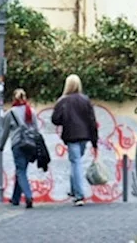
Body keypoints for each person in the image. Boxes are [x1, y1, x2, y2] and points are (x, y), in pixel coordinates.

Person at [51, 73, 98, 205]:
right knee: (76, 162)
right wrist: (94, 142)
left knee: (75, 162)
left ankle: (79, 195)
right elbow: (92, 121)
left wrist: (64, 119)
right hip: (85, 136)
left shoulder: (63, 101)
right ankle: (74, 190)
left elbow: (55, 120)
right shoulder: (85, 100)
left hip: (71, 136)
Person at [0, 88, 38, 208]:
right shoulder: (31, 111)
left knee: (21, 171)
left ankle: (28, 196)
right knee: (21, 170)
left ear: (14, 98)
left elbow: (5, 132)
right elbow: (36, 130)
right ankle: (15, 199)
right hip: (30, 145)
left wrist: (0, 146)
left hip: (18, 145)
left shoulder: (11, 113)